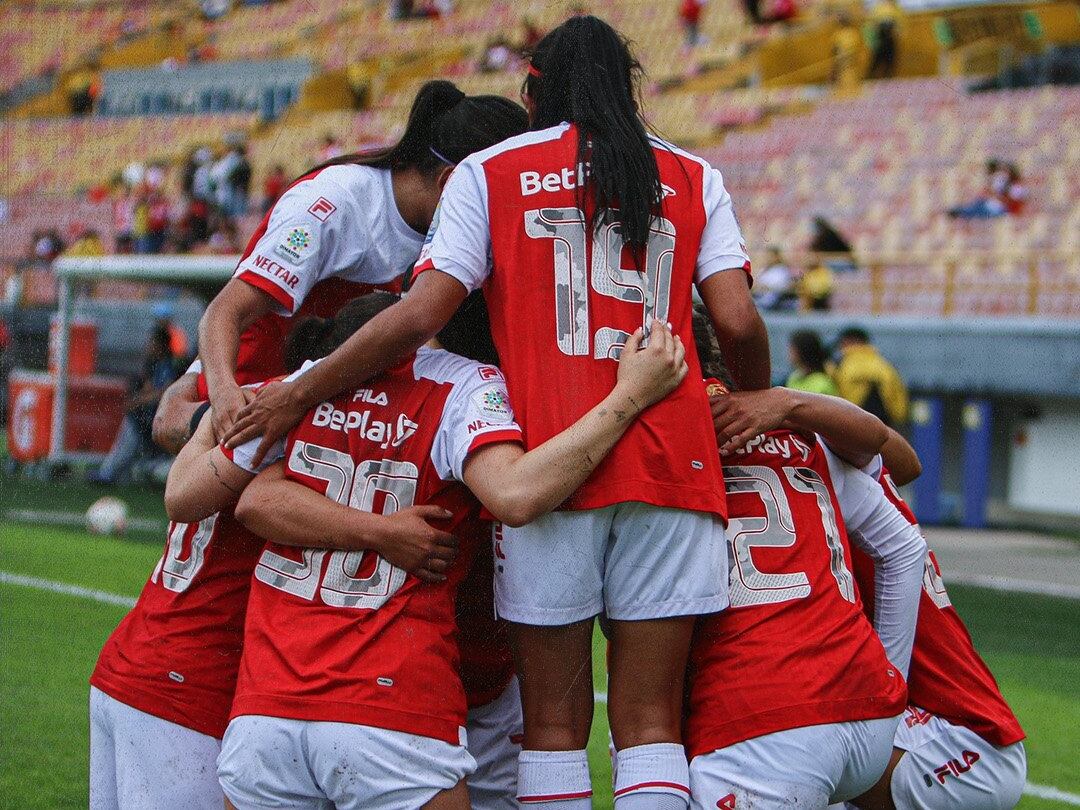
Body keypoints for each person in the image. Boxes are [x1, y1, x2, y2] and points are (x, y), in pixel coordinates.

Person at [225, 16, 769, 809]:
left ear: (534, 90)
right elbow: (740, 321)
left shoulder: (490, 169)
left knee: (551, 727)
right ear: (630, 85)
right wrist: (751, 399)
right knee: (652, 723)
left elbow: (419, 316)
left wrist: (300, 389)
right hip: (672, 460)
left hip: (549, 465)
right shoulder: (692, 174)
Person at [165, 299, 689, 809]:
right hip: (391, 709)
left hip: (267, 714)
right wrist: (629, 398)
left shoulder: (299, 387)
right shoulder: (462, 385)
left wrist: (214, 407)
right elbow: (517, 495)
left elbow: (189, 496)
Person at [197, 81, 529, 440]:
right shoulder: (332, 206)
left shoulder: (446, 226)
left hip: (340, 409)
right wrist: (220, 401)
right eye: (503, 195)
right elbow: (224, 312)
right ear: (451, 183)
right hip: (263, 406)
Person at [687, 315, 927, 809]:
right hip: (865, 707)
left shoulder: (659, 434)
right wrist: (890, 676)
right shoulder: (800, 431)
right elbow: (905, 533)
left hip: (763, 719)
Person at [849, 441, 1027, 810]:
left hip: (961, 735)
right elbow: (906, 460)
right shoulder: (868, 482)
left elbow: (900, 455)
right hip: (966, 723)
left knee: (796, 758)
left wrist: (788, 407)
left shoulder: (835, 493)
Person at [89, 324, 179, 484]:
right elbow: (149, 389)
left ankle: (109, 473)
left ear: (160, 345)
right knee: (133, 424)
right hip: (151, 417)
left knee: (133, 426)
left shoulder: (169, 366)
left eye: (152, 342)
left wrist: (138, 401)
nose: (148, 346)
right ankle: (115, 471)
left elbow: (164, 393)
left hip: (161, 419)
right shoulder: (154, 365)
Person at [834, 327, 909, 429]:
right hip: (883, 426)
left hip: (851, 424)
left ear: (848, 341)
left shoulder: (840, 365)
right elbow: (898, 400)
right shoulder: (885, 366)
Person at [787, 329, 839, 395]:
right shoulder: (794, 377)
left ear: (803, 351)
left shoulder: (823, 383)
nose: (789, 353)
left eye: (792, 349)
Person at [753, 246, 797, 311]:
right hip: (760, 297)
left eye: (771, 256)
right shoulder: (763, 270)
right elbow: (756, 285)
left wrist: (767, 287)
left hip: (776, 298)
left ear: (777, 257)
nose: (768, 258)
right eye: (767, 256)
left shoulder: (782, 270)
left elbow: (785, 287)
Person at [867, 0, 901, 79]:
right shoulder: (878, 8)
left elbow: (898, 25)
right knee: (876, 60)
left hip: (890, 39)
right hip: (880, 38)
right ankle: (870, 78)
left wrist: (897, 32)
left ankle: (888, 78)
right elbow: (872, 25)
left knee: (890, 61)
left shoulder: (895, 9)